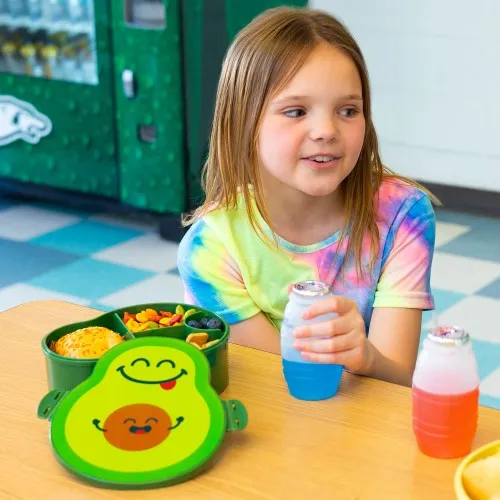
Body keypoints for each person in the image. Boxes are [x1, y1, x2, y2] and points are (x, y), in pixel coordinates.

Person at [177, 6, 439, 387]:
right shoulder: (211, 248)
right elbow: (282, 384)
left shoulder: (402, 215)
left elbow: (397, 378)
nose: (326, 130)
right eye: (297, 111)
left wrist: (367, 357)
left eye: (348, 110)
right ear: (243, 123)